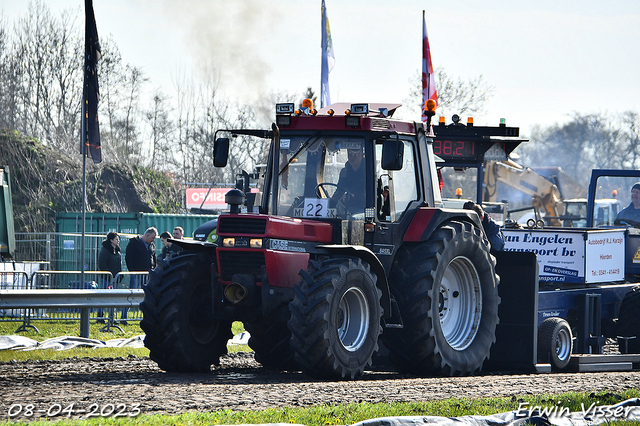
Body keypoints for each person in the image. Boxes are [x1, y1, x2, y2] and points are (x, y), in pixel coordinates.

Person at [123, 227, 157, 323]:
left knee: (147, 296)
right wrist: (132, 271)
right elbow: (128, 258)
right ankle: (124, 316)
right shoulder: (134, 243)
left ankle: (146, 317)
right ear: (147, 235)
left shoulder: (152, 245)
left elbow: (154, 258)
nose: (153, 240)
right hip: (136, 274)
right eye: (152, 237)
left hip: (147, 274)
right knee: (131, 295)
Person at [331, 146, 366, 214]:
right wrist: (331, 201)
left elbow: (369, 197)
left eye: (355, 154)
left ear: (362, 155)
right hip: (347, 208)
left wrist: (351, 197)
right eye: (349, 154)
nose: (352, 157)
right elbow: (340, 190)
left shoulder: (368, 172)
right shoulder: (345, 172)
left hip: (363, 209)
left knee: (354, 217)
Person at [97, 232, 121, 323]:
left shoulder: (117, 251)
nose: (118, 241)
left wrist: (119, 275)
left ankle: (112, 317)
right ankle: (100, 317)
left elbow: (118, 264)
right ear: (111, 240)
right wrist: (109, 275)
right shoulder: (105, 250)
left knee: (113, 299)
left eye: (118, 239)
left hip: (115, 279)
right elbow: (102, 264)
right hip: (106, 279)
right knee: (103, 297)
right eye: (116, 239)